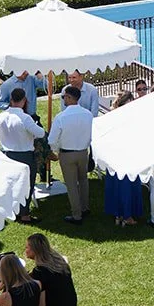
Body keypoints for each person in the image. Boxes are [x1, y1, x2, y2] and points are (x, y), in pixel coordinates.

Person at [0, 89, 45, 223]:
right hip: (24, 155)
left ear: (11, 100)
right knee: (26, 185)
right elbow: (40, 133)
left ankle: (12, 209)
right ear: (23, 101)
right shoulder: (25, 118)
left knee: (11, 184)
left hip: (7, 153)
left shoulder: (1, 117)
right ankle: (24, 214)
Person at [48, 85, 94, 224]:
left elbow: (52, 139)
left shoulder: (61, 117)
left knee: (72, 185)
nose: (63, 100)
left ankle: (76, 215)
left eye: (64, 97)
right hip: (83, 152)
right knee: (83, 180)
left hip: (67, 154)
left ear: (68, 97)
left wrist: (56, 150)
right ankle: (85, 208)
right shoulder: (88, 114)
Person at [102, 91, 144, 225]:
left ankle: (120, 214)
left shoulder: (113, 117)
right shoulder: (126, 119)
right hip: (123, 156)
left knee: (120, 185)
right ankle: (126, 215)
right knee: (125, 186)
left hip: (119, 155)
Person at [25, 233, 77, 306]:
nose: (25, 251)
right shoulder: (59, 260)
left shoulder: (40, 272)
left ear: (35, 250)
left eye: (27, 248)